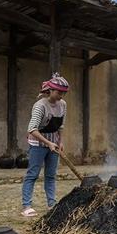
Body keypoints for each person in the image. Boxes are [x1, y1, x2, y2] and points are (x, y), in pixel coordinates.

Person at [21, 73, 69, 217]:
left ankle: (51, 204)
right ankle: (26, 206)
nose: (61, 95)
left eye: (64, 93)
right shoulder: (40, 106)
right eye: (59, 92)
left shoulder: (63, 105)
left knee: (50, 175)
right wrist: (48, 143)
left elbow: (61, 126)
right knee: (32, 174)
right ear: (50, 90)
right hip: (38, 144)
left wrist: (60, 142)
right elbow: (32, 129)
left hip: (53, 143)